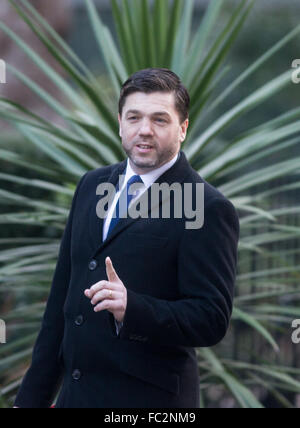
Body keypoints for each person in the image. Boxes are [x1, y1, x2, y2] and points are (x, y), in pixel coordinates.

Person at [14, 68, 240, 408]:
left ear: (183, 129)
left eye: (160, 120)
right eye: (134, 117)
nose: (144, 130)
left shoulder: (206, 206)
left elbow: (211, 319)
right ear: (120, 122)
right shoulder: (91, 185)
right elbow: (61, 302)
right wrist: (30, 399)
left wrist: (131, 308)